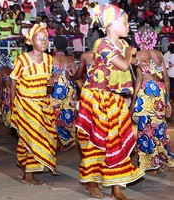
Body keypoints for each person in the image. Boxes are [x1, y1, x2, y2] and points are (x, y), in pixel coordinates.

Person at [75, 4, 145, 199]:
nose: (128, 25)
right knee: (96, 142)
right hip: (96, 98)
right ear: (110, 25)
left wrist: (137, 60)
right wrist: (131, 53)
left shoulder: (122, 46)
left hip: (114, 99)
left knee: (119, 141)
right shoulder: (102, 44)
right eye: (124, 21)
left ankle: (116, 188)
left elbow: (130, 61)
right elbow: (123, 64)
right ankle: (91, 182)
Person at [10, 24, 58, 186]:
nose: (44, 41)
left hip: (42, 103)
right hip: (26, 104)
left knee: (45, 136)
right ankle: (28, 175)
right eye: (40, 38)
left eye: (46, 38)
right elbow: (13, 80)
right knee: (33, 136)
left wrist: (51, 82)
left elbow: (48, 85)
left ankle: (24, 162)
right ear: (30, 41)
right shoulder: (22, 60)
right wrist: (12, 103)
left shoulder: (49, 60)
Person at [130, 25, 174, 174]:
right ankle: (160, 159)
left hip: (147, 93)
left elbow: (139, 80)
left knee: (146, 128)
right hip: (160, 93)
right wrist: (167, 100)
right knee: (158, 127)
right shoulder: (159, 54)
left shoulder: (139, 55)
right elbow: (166, 79)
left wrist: (134, 99)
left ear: (138, 38)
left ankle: (150, 164)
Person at [50, 35, 78, 152]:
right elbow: (75, 76)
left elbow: (50, 76)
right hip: (69, 88)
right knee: (68, 113)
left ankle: (62, 141)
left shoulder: (51, 59)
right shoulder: (70, 59)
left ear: (55, 47)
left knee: (54, 114)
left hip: (57, 88)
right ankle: (69, 139)